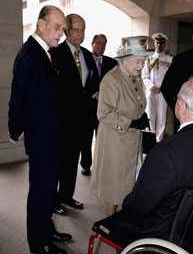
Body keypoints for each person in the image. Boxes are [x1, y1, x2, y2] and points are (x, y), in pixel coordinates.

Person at [93, 76, 193, 248]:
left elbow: (137, 207)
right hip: (192, 226)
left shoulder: (166, 153)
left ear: (182, 107)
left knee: (116, 222)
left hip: (158, 234)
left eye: (177, 99)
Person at [8, 5, 72, 254]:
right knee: (41, 189)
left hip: (50, 133)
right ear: (41, 24)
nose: (61, 33)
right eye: (57, 27)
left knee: (48, 188)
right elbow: (18, 98)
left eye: (63, 29)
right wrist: (16, 128)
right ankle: (38, 241)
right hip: (41, 136)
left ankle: (47, 228)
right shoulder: (29, 55)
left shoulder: (44, 51)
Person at [90, 36, 152, 217]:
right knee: (114, 193)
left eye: (143, 61)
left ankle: (121, 230)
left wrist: (142, 115)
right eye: (138, 61)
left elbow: (137, 102)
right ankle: (109, 231)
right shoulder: (112, 79)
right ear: (125, 59)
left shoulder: (135, 77)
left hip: (132, 143)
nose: (141, 66)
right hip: (115, 145)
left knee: (128, 190)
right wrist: (131, 122)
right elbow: (103, 114)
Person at [51, 14, 99, 215]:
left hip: (83, 120)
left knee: (73, 161)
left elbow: (92, 83)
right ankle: (53, 201)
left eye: (83, 29)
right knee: (59, 163)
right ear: (66, 31)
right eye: (76, 30)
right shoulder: (55, 53)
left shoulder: (87, 55)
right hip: (62, 120)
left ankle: (67, 196)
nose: (80, 34)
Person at [80, 34, 118, 176]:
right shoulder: (84, 60)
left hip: (105, 109)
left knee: (103, 139)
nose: (101, 46)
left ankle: (103, 166)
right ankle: (85, 165)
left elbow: (116, 84)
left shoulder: (112, 63)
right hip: (87, 108)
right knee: (86, 139)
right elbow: (81, 84)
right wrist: (93, 93)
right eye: (99, 43)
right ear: (92, 44)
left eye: (104, 44)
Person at [142, 33, 172, 142]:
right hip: (151, 93)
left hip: (163, 93)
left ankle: (158, 143)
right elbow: (144, 76)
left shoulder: (169, 59)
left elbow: (170, 77)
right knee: (150, 117)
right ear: (154, 43)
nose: (159, 45)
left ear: (164, 44)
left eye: (161, 43)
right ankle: (150, 142)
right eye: (157, 43)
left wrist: (162, 88)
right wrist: (151, 87)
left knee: (161, 119)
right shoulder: (149, 59)